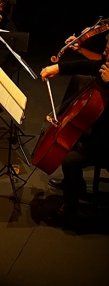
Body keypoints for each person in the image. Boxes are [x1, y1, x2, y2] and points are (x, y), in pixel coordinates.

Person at [40, 34, 109, 218]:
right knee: (73, 141)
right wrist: (58, 68)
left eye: (108, 51)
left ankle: (72, 207)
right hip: (100, 131)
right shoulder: (107, 66)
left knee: (70, 160)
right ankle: (75, 185)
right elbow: (90, 65)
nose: (104, 52)